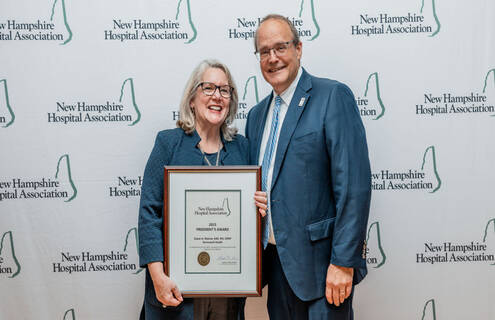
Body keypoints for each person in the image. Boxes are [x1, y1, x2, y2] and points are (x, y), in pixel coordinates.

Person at [245, 14, 372, 319]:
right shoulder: (255, 115)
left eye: (281, 47)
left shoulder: (332, 97)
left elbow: (354, 186)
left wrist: (343, 262)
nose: (273, 58)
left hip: (323, 271)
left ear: (299, 48)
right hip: (276, 269)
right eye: (264, 51)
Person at [138, 59, 267, 320]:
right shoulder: (168, 143)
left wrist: (260, 208)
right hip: (175, 290)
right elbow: (149, 213)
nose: (217, 96)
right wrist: (157, 275)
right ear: (192, 99)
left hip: (228, 292)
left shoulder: (243, 148)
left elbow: (249, 219)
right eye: (208, 88)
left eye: (225, 90)